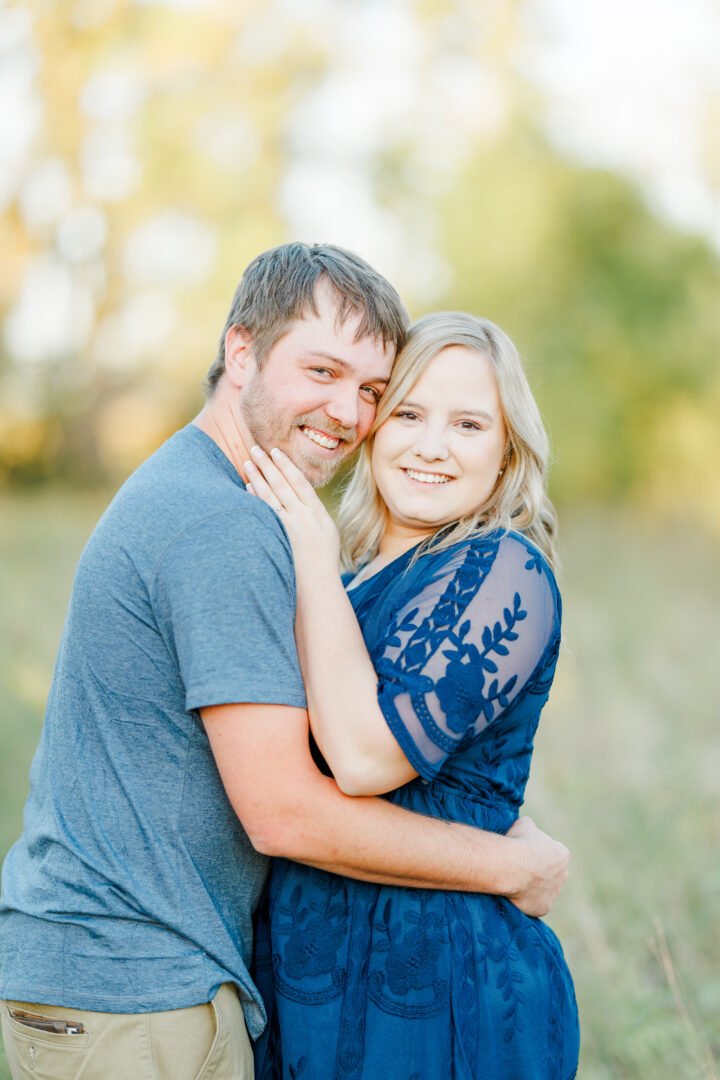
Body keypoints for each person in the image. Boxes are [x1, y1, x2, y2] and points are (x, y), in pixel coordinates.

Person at [0, 245, 569, 1080]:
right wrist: (512, 860)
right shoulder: (228, 525)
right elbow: (291, 810)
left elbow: (371, 759)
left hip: (355, 985)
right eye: (325, 371)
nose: (348, 410)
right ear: (241, 352)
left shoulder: (481, 568)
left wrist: (495, 817)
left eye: (372, 391)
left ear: (508, 445)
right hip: (141, 987)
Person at [245, 311, 580, 1080]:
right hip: (306, 976)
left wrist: (312, 554)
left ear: (506, 453)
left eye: (468, 423)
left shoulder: (504, 570)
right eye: (409, 414)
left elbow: (364, 759)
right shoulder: (357, 577)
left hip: (442, 984)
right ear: (373, 429)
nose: (432, 445)